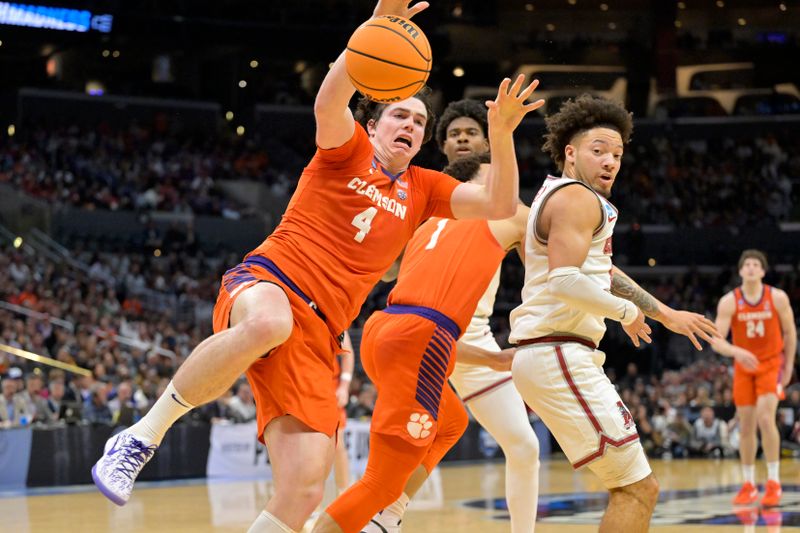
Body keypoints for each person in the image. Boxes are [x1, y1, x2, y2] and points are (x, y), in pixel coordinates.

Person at [92, 1, 539, 530]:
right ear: (372, 125)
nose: (412, 125)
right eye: (400, 114)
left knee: (305, 488)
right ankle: (142, 435)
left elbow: (500, 204)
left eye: (420, 122)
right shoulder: (344, 148)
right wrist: (375, 27)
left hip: (322, 334)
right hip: (269, 281)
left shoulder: (425, 189)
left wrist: (504, 132)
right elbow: (332, 94)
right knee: (269, 322)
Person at [508, 94, 718, 532]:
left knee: (635, 487)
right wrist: (626, 312)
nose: (610, 161)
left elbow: (602, 271)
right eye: (598, 150)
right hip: (557, 351)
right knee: (638, 489)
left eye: (617, 154)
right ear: (570, 152)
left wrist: (661, 312)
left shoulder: (568, 197)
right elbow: (564, 280)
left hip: (555, 352)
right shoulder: (576, 199)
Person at [312, 148, 543, 533]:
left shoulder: (428, 222)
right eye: (496, 177)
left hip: (386, 330)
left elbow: (428, 328)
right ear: (476, 184)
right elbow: (556, 229)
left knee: (451, 421)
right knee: (376, 483)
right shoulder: (500, 212)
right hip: (418, 338)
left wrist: (494, 361)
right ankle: (377, 514)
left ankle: (388, 516)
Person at [364, 99, 540, 533]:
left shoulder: (509, 205)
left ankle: (386, 512)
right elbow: (387, 269)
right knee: (421, 437)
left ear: (489, 140)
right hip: (416, 326)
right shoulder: (419, 193)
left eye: (472, 132)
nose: (462, 139)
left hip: (469, 336)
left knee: (522, 445)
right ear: (442, 146)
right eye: (454, 134)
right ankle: (382, 514)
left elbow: (561, 254)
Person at [711, 249, 796, 507]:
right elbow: (716, 340)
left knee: (764, 418)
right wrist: (736, 351)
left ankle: (773, 482)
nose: (750, 267)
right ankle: (748, 484)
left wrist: (789, 366)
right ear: (740, 271)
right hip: (744, 366)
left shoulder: (777, 298)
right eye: (746, 264)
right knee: (746, 425)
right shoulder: (729, 301)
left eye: (755, 264)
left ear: (762, 271)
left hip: (771, 364)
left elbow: (791, 334)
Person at [333, 331, 355, 495]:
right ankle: (307, 505)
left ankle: (344, 494)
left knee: (337, 444)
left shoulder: (330, 316)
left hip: (329, 388)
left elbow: (347, 353)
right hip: (300, 387)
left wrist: (344, 386)